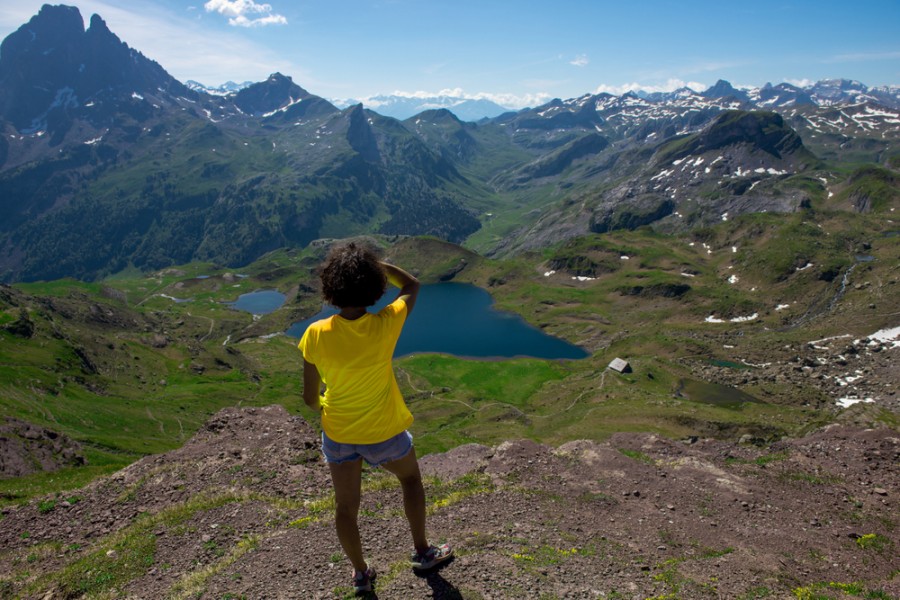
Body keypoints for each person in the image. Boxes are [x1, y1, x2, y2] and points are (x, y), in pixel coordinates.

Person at [299, 241, 452, 594]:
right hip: (384, 430)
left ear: (330, 286)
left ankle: (360, 575)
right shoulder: (386, 323)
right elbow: (412, 285)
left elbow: (309, 398)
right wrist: (376, 266)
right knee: (411, 480)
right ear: (373, 288)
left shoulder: (315, 334)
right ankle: (423, 552)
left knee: (346, 506)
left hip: (338, 431)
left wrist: (324, 405)